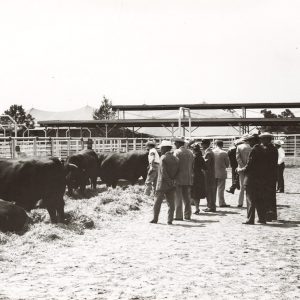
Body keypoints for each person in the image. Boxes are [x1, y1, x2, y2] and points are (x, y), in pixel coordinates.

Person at [237, 134, 267, 225]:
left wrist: (240, 169)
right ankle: (262, 218)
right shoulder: (263, 149)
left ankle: (250, 219)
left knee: (250, 200)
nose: (248, 143)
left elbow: (250, 165)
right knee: (260, 199)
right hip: (261, 178)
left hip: (251, 178)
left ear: (254, 141)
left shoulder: (254, 150)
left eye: (250, 141)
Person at [150, 140, 179, 225]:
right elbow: (178, 171)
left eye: (161, 148)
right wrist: (172, 181)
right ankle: (170, 220)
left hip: (162, 183)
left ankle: (155, 218)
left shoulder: (163, 157)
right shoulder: (176, 158)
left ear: (165, 148)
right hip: (172, 184)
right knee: (171, 203)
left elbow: (163, 172)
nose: (160, 150)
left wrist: (168, 181)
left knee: (157, 202)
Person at [173, 137, 194, 220]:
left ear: (178, 144)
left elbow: (174, 165)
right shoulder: (190, 152)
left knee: (178, 197)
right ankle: (187, 215)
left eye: (175, 143)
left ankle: (178, 215)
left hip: (178, 177)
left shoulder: (177, 152)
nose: (174, 145)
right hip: (188, 177)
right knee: (187, 197)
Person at [260, 132, 278, 221]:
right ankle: (272, 214)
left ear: (267, 139)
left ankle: (268, 214)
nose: (262, 141)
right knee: (271, 195)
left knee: (266, 195)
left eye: (263, 139)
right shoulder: (273, 148)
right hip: (271, 175)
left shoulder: (267, 149)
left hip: (266, 175)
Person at [236, 134, 252, 207]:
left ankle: (240, 202)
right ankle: (250, 202)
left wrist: (242, 166)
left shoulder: (239, 147)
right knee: (250, 186)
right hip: (250, 168)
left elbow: (238, 158)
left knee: (242, 186)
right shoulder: (251, 147)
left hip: (241, 168)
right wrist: (247, 166)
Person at [213, 140, 230, 207]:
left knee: (213, 189)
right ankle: (221, 202)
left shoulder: (212, 152)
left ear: (215, 144)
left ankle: (213, 203)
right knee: (221, 188)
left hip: (213, 172)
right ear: (222, 145)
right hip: (221, 172)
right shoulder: (224, 153)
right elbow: (227, 164)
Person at [191, 143, 207, 214]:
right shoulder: (201, 157)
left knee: (194, 193)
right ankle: (197, 208)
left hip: (194, 176)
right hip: (200, 176)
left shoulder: (193, 157)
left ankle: (196, 208)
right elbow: (205, 168)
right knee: (197, 193)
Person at [201, 139, 216, 212]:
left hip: (208, 174)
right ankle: (210, 205)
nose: (201, 145)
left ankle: (211, 206)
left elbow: (205, 163)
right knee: (209, 190)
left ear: (206, 144)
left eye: (202, 144)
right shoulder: (208, 152)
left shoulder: (208, 153)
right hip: (209, 174)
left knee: (209, 190)